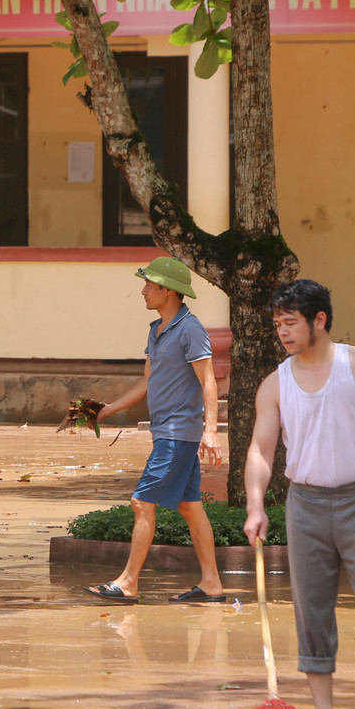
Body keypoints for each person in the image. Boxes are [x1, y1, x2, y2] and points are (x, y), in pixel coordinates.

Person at [242, 278, 355, 709]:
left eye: (290, 322)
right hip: (306, 504)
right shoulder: (275, 384)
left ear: (319, 320)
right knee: (310, 609)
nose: (282, 331)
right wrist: (256, 506)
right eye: (277, 324)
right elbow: (260, 450)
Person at [84, 256, 225, 605]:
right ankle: (211, 584)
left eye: (149, 285)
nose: (143, 291)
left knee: (141, 501)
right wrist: (108, 410)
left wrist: (211, 432)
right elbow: (148, 381)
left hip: (178, 433)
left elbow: (208, 381)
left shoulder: (190, 329)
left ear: (168, 290)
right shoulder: (157, 329)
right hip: (166, 431)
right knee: (190, 507)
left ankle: (128, 582)